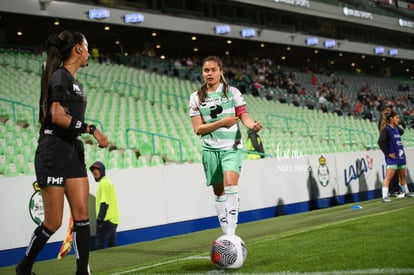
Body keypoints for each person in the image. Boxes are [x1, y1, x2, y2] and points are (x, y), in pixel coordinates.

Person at [16, 30, 108, 275]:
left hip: (72, 150)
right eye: (87, 46)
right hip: (53, 150)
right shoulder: (60, 76)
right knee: (53, 222)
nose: (89, 51)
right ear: (78, 49)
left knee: (82, 217)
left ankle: (82, 272)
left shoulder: (74, 81)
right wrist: (91, 129)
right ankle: (23, 269)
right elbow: (56, 116)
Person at [189, 55, 263, 236]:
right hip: (210, 149)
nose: (210, 73)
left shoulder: (232, 92)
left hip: (232, 146)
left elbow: (243, 115)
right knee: (219, 192)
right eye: (206, 70)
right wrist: (221, 123)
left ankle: (231, 233)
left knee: (230, 185)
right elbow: (198, 129)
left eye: (214, 70)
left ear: (221, 72)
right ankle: (226, 232)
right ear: (202, 73)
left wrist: (252, 125)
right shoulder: (196, 97)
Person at [378, 110, 414, 202]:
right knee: (389, 177)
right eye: (397, 118)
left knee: (402, 176)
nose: (398, 119)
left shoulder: (396, 129)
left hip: (401, 156)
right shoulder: (386, 130)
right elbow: (380, 142)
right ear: (391, 119)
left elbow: (402, 131)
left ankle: (406, 192)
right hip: (392, 158)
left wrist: (395, 124)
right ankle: (384, 196)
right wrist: (388, 153)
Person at [89, 161, 120, 250]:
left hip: (106, 220)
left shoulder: (103, 183)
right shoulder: (107, 182)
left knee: (99, 247)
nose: (94, 172)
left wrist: (100, 220)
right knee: (112, 246)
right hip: (113, 220)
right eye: (93, 170)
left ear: (102, 170)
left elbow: (104, 203)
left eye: (97, 169)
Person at [378, 107, 401, 197]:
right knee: (391, 172)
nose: (389, 112)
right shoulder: (383, 123)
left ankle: (395, 189)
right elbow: (381, 140)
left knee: (394, 170)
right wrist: (387, 152)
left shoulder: (390, 124)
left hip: (392, 147)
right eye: (387, 110)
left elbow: (401, 131)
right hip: (389, 149)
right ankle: (393, 190)